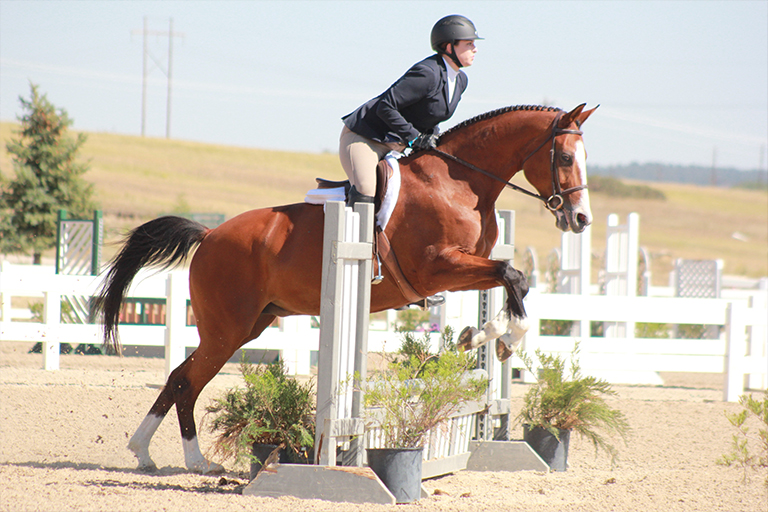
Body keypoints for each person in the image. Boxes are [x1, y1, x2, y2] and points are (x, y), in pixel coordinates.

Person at [339, 14, 482, 207]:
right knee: (366, 188)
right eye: (469, 44)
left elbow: (430, 117)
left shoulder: (460, 81)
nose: (475, 49)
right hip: (367, 138)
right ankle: (356, 237)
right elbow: (386, 106)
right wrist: (415, 137)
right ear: (449, 47)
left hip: (398, 144)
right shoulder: (427, 73)